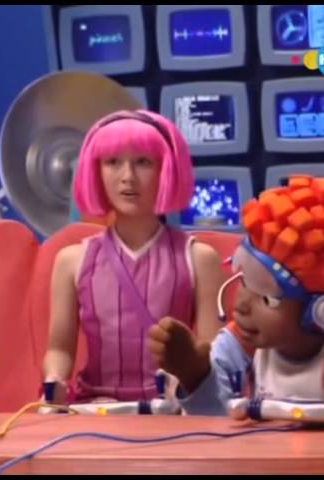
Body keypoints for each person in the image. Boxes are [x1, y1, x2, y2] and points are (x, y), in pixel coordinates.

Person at [149, 175, 324, 425]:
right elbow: (217, 417)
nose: (242, 305)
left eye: (266, 298)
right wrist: (196, 374)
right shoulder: (245, 339)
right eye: (244, 280)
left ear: (323, 312)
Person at [43, 110, 224, 403]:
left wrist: (188, 385)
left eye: (143, 162)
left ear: (166, 169)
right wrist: (54, 381)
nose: (128, 177)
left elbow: (211, 352)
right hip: (95, 410)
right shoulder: (71, 261)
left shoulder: (200, 259)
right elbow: (59, 349)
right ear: (95, 171)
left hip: (173, 411)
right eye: (113, 162)